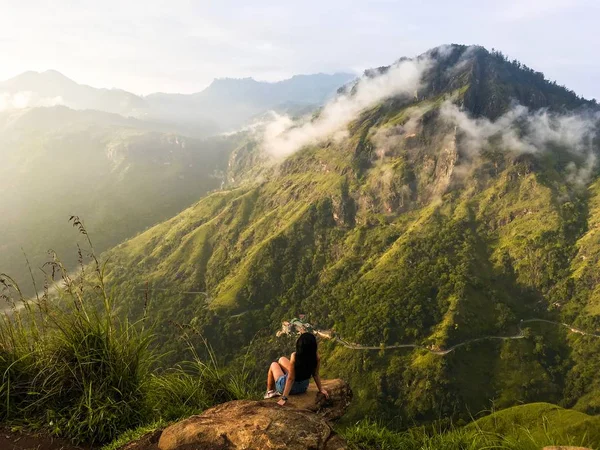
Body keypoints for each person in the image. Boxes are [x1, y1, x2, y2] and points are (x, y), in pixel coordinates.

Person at [264, 332, 329, 405]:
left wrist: (284, 398)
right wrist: (321, 389)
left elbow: (291, 378)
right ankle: (272, 391)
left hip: (287, 387)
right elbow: (315, 374)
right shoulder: (316, 357)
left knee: (274, 364)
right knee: (282, 359)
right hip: (303, 387)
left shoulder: (294, 356)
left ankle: (269, 392)